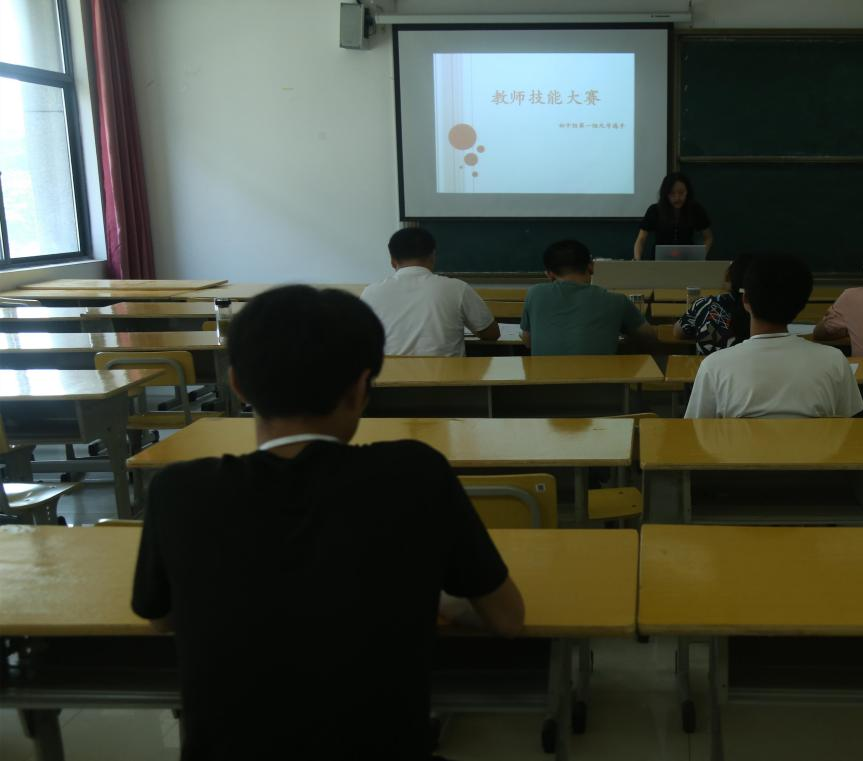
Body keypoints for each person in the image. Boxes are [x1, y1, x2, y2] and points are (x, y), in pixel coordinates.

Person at [132, 285, 524, 761]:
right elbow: (508, 619)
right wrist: (435, 595)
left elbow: (161, 618)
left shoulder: (178, 490)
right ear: (361, 388)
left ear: (237, 385)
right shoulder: (415, 474)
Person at [685, 254, 863, 419]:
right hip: (812, 446)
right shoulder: (834, 361)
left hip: (738, 446)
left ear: (745, 300)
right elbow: (846, 427)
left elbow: (697, 432)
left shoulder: (714, 366)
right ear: (802, 304)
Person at [361, 227, 500, 356]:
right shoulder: (457, 288)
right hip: (447, 374)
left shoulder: (370, 293)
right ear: (433, 257)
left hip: (390, 373)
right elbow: (491, 334)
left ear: (392, 261)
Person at [521, 239, 657, 355]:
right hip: (600, 378)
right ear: (591, 266)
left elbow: (528, 341)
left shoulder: (534, 294)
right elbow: (649, 336)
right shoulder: (617, 301)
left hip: (545, 378)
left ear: (549, 274)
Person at [673, 254, 753, 354]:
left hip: (707, 363)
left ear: (728, 278)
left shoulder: (706, 306)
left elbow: (678, 332)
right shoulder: (765, 312)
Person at [633, 172, 714, 260]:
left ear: (687, 192)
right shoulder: (655, 210)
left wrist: (700, 257)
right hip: (658, 262)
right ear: (666, 194)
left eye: (681, 193)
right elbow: (641, 239)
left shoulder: (695, 209)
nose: (677, 198)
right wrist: (637, 260)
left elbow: (708, 237)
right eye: (672, 193)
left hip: (688, 261)